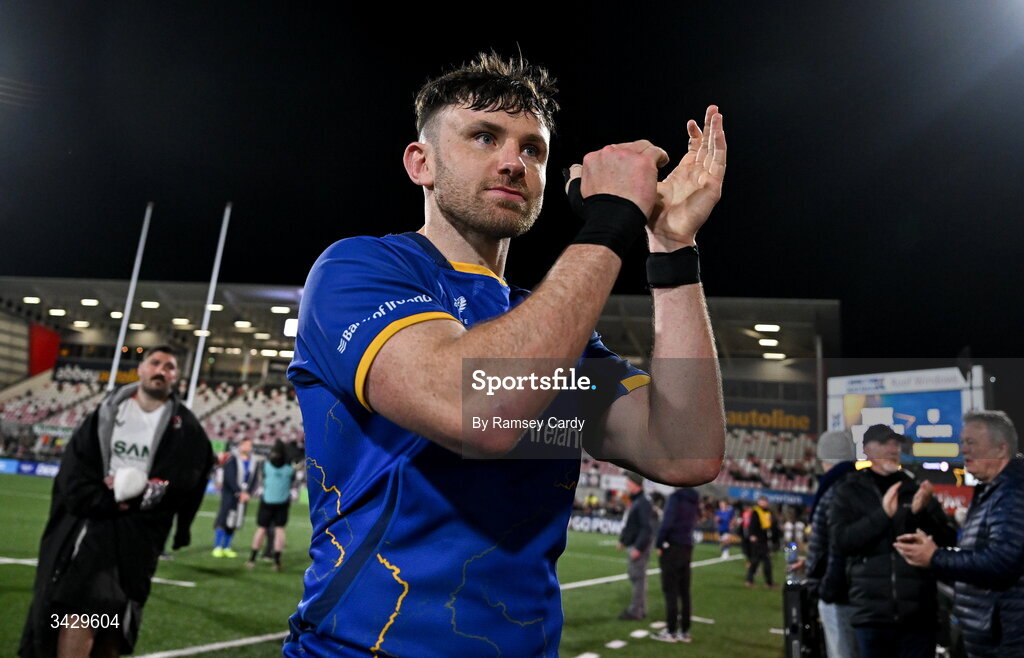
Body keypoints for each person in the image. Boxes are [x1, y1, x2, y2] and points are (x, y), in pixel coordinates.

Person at [283, 52, 727, 656]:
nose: (513, 162)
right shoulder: (359, 270)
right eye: (484, 137)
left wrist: (671, 249)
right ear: (422, 163)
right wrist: (614, 219)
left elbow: (685, 451)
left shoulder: (554, 332)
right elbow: (475, 410)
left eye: (534, 149)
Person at [19, 346, 214, 658]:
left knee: (116, 623)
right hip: (96, 525)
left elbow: (191, 475)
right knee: (80, 608)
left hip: (141, 534)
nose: (161, 370)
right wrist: (101, 496)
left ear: (176, 377)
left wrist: (150, 492)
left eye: (170, 366)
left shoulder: (185, 428)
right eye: (155, 363)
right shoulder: (108, 413)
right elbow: (77, 467)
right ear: (140, 369)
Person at [895, 410, 1024, 657]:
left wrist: (934, 558)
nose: (963, 450)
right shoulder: (992, 490)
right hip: (989, 634)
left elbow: (1003, 560)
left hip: (1007, 638)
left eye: (972, 442)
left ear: (1000, 449)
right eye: (962, 442)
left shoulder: (1013, 493)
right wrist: (926, 518)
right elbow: (970, 550)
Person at [830, 424, 956, 658]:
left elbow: (946, 539)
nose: (892, 448)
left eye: (895, 443)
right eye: (884, 443)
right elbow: (841, 542)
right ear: (867, 449)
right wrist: (882, 515)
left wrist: (923, 512)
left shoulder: (915, 488)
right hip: (871, 615)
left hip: (918, 615)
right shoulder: (849, 490)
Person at [800, 428, 859, 657]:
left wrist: (825, 586)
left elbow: (838, 546)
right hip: (846, 590)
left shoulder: (836, 489)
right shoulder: (851, 484)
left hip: (839, 594)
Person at [651, 487, 700, 643]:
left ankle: (671, 631)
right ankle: (685, 631)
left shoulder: (676, 498)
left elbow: (667, 522)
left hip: (672, 547)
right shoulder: (694, 499)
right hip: (687, 547)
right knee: (684, 592)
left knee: (670, 591)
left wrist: (659, 544)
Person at [247, 439, 296, 571]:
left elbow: (262, 480)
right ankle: (277, 562)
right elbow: (291, 482)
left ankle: (252, 559)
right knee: (280, 530)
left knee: (261, 529)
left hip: (267, 502)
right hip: (282, 503)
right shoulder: (290, 470)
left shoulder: (266, 466)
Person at [617, 473, 656, 620]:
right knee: (637, 577)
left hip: (639, 545)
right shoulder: (638, 500)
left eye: (628, 481)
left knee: (638, 578)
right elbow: (632, 525)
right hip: (635, 543)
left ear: (635, 483)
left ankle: (636, 611)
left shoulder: (643, 501)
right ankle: (640, 609)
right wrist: (623, 541)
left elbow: (646, 528)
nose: (626, 484)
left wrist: (638, 548)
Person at [212, 437, 256, 558]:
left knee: (235, 521)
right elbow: (229, 478)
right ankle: (217, 546)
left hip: (243, 496)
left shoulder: (253, 461)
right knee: (223, 518)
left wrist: (248, 493)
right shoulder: (232, 459)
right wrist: (238, 492)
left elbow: (255, 479)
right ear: (241, 446)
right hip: (230, 495)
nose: (248, 447)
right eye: (246, 445)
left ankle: (227, 547)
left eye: (250, 445)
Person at [745, 495, 778, 588]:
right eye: (762, 501)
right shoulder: (755, 512)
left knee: (764, 561)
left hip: (765, 539)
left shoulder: (769, 512)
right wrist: (752, 535)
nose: (763, 503)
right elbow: (752, 524)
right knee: (756, 561)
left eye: (765, 501)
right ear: (758, 502)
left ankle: (768, 582)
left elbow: (772, 525)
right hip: (757, 539)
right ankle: (751, 581)